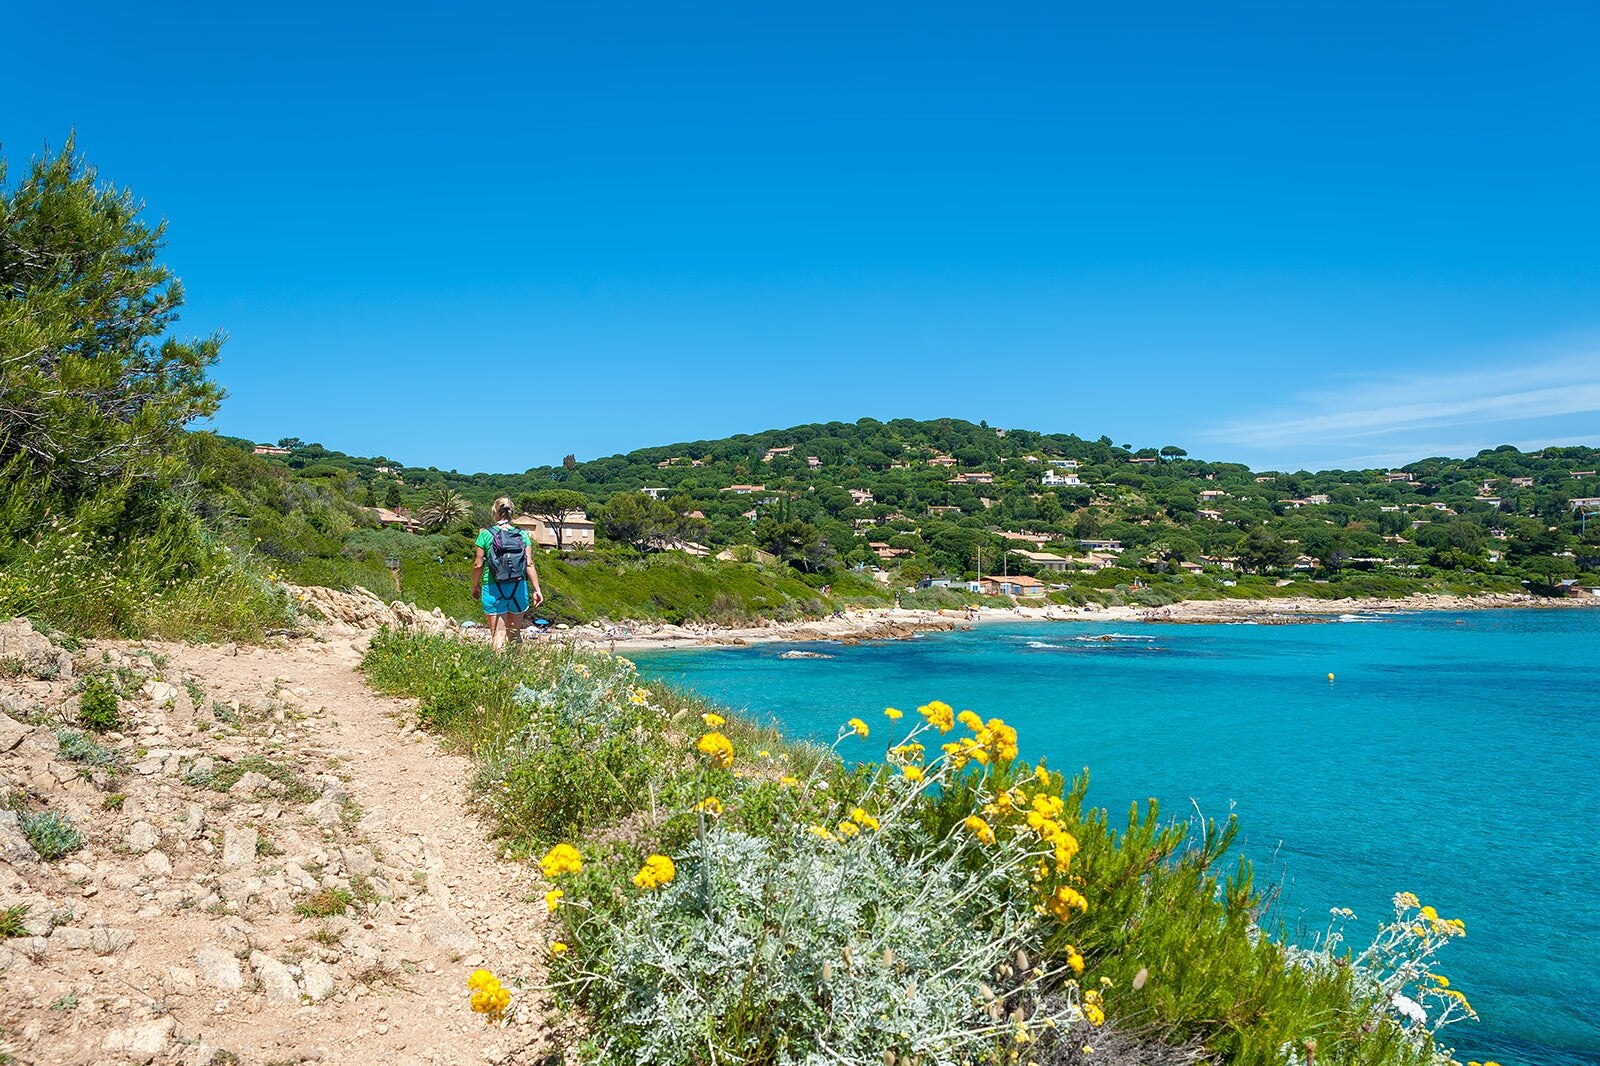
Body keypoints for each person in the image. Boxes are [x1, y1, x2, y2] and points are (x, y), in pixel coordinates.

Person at [471, 497, 544, 652]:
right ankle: (518, 671)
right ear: (512, 513)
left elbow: (478, 564)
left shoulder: (485, 534)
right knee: (515, 634)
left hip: (493, 588)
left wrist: (475, 585)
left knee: (498, 635)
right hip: (518, 587)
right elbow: (529, 564)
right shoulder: (522, 535)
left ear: (495, 513)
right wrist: (537, 590)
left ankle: (498, 674)